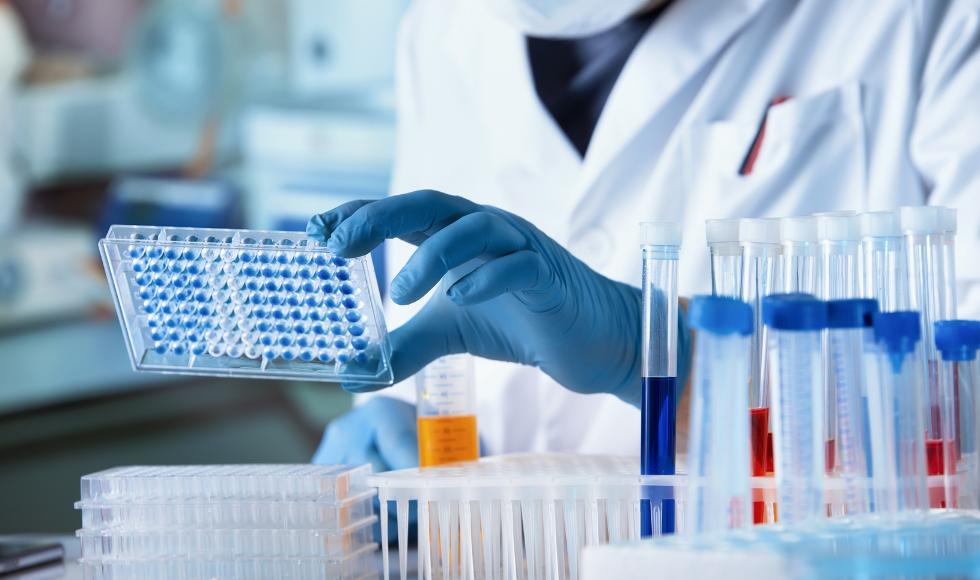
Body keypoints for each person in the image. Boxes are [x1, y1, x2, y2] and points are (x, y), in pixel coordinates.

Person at [310, 0, 980, 478]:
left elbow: (965, 397)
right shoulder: (440, 25)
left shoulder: (930, 17)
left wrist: (666, 354)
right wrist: (403, 423)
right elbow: (431, 300)